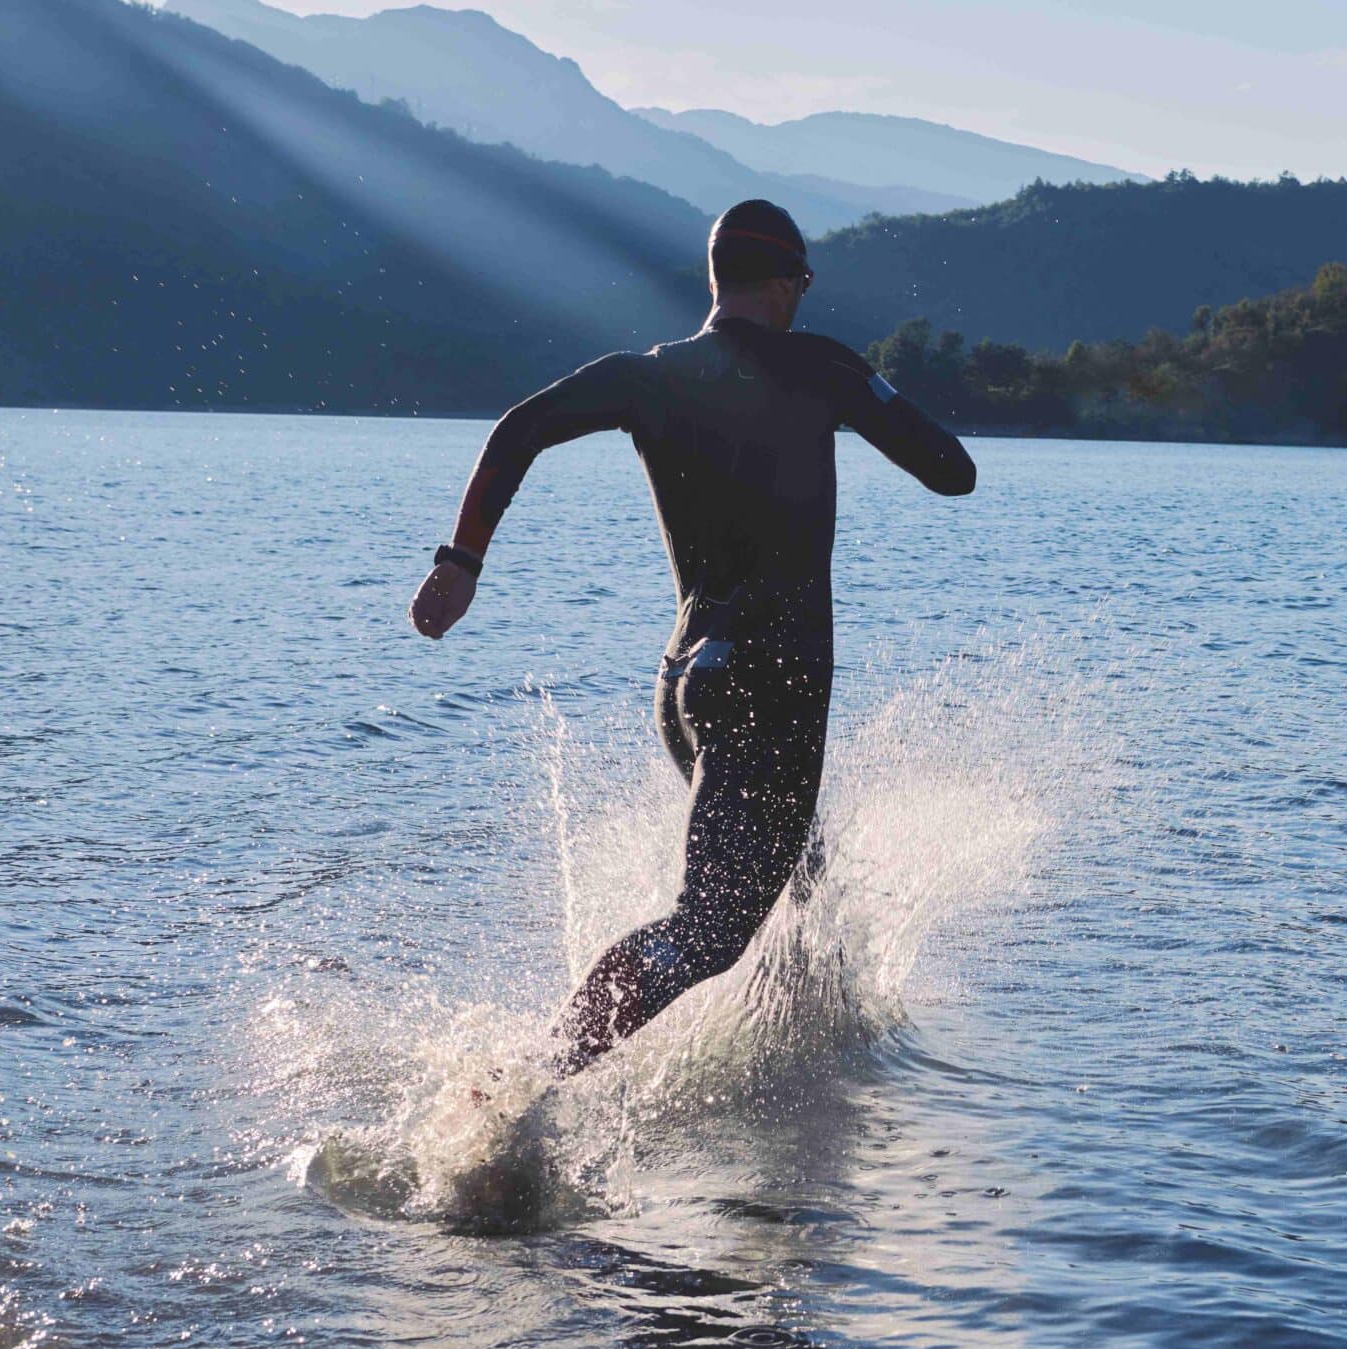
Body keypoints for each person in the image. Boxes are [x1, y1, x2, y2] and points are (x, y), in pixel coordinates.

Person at [408, 199, 976, 1073]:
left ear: (717, 280)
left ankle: (803, 1057)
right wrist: (864, 389)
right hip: (770, 683)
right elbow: (954, 472)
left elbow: (519, 426)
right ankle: (534, 1075)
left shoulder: (648, 375)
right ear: (788, 282)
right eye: (802, 285)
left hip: (685, 684)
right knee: (710, 926)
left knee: (798, 866)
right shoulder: (822, 367)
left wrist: (462, 562)